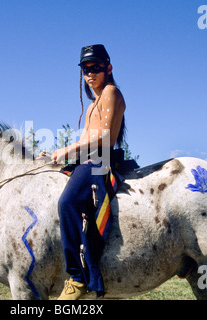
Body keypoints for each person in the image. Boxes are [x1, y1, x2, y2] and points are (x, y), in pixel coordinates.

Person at [50, 44, 128, 300]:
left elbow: (104, 138)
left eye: (95, 67)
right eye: (85, 69)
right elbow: (85, 141)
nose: (90, 73)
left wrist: (68, 149)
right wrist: (58, 156)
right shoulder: (93, 104)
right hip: (89, 160)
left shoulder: (111, 93)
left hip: (100, 161)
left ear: (109, 68)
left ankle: (76, 278)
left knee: (67, 202)